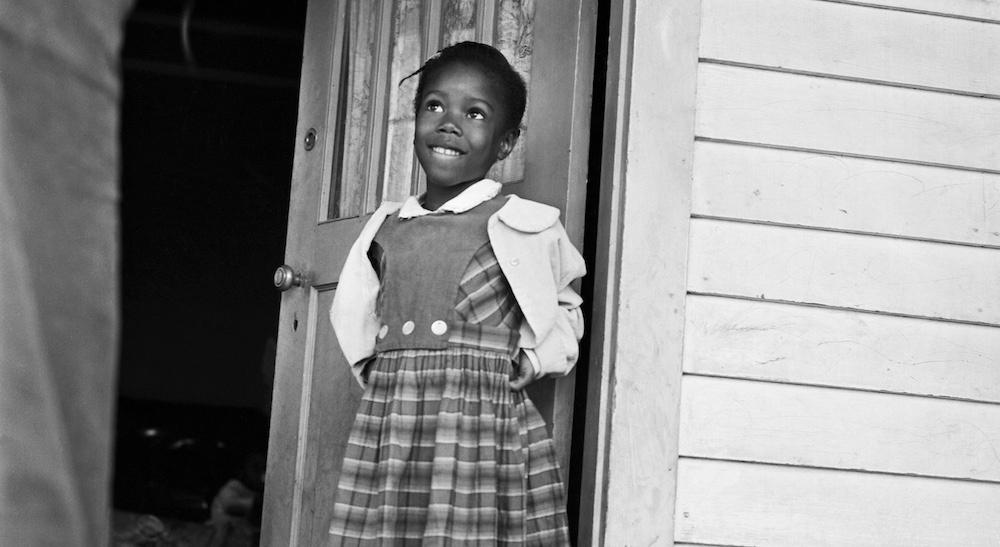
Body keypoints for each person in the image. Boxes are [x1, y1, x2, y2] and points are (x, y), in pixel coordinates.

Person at [327, 41, 586, 545]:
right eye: (435, 106)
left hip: (482, 421)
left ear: (505, 143)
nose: (450, 123)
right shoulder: (387, 226)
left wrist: (534, 361)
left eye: (474, 113)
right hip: (398, 415)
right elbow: (354, 306)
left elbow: (565, 306)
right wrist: (376, 372)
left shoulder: (524, 224)